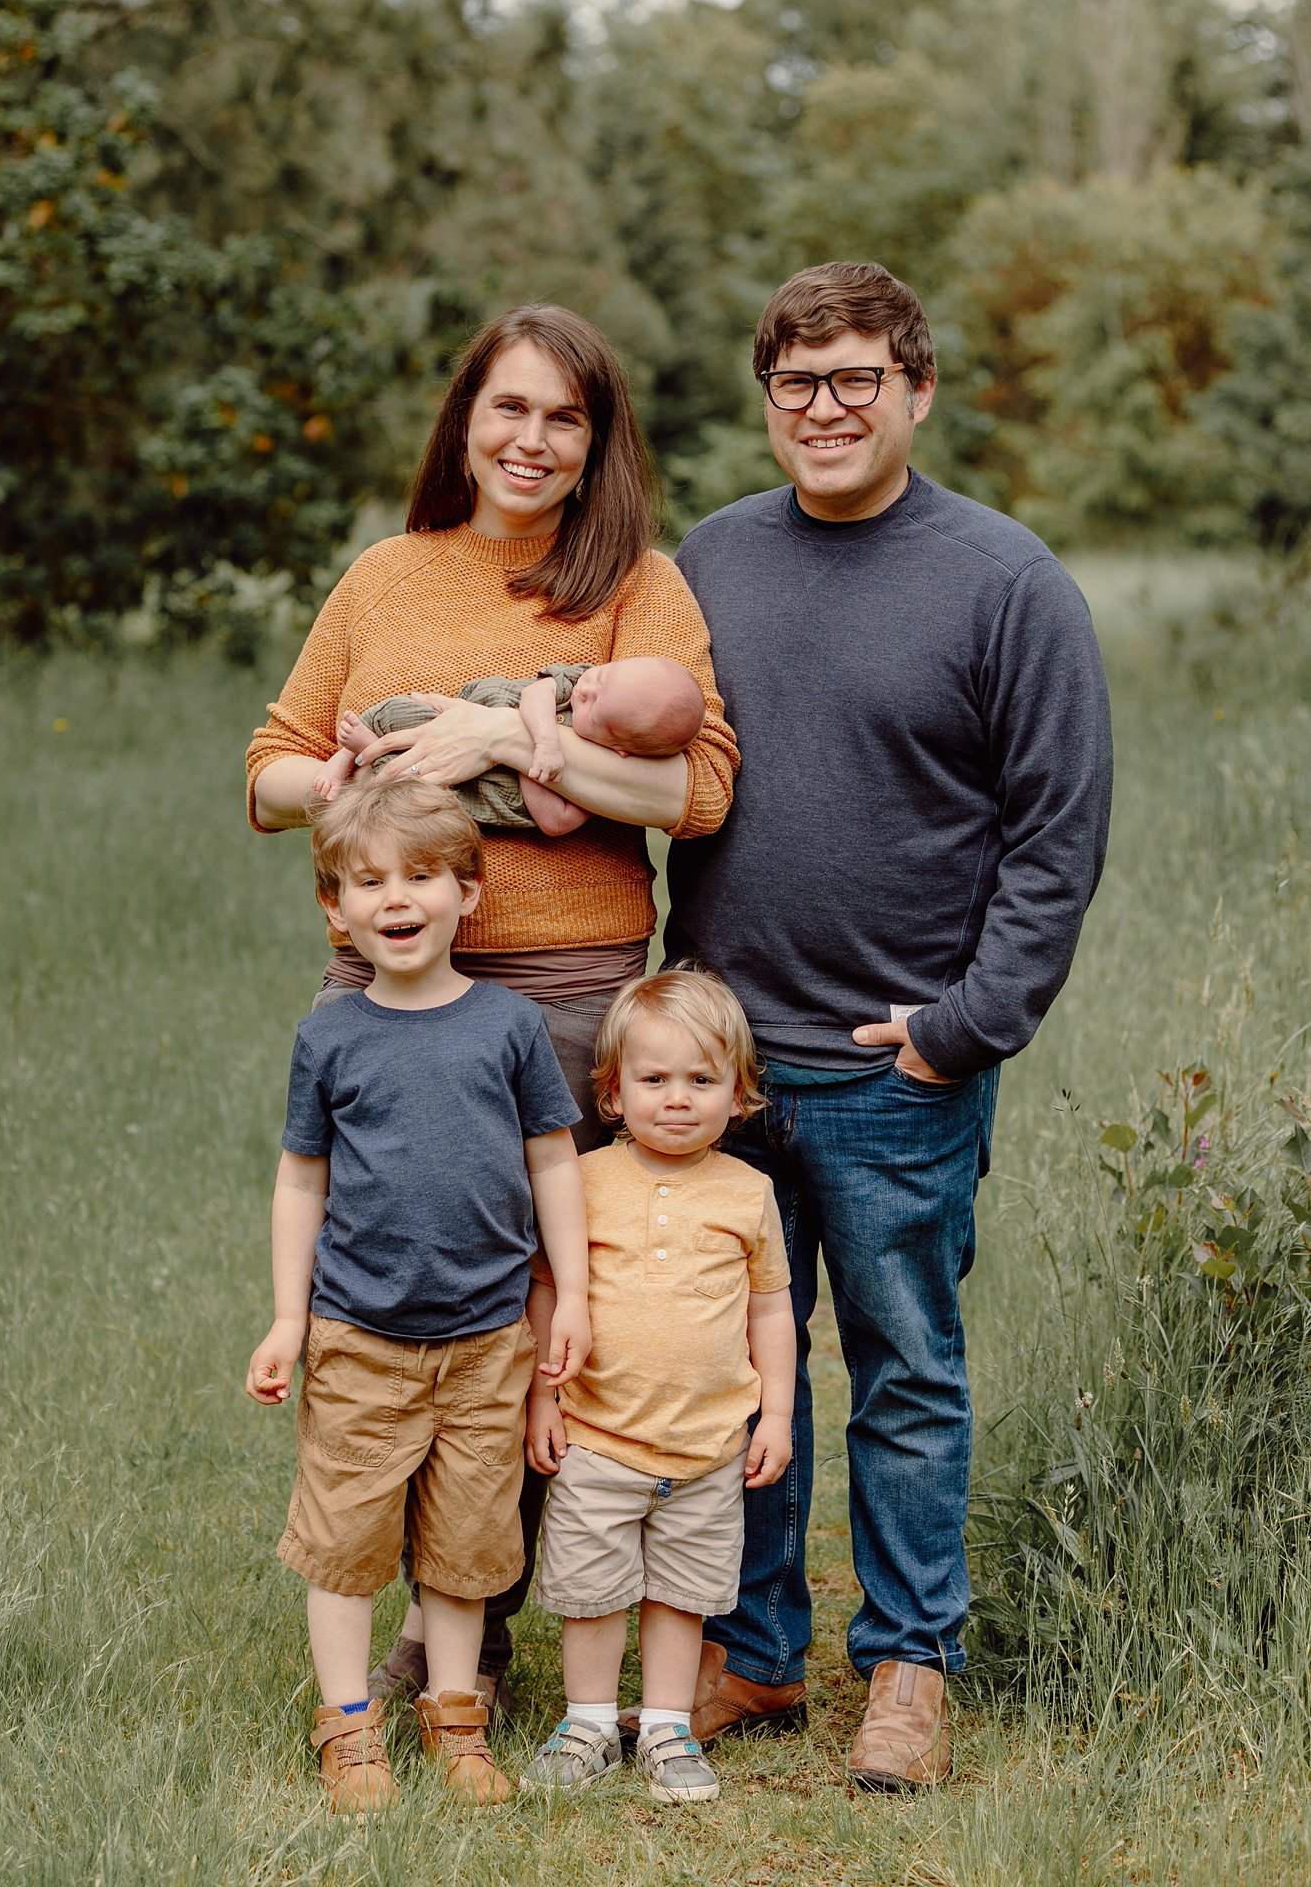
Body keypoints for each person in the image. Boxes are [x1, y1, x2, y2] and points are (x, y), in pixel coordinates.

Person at [246, 303, 739, 1708]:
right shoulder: (387, 576)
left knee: (534, 1313)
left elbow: (698, 788)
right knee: (393, 1295)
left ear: (598, 445)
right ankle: (422, 1612)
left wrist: (516, 742)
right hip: (390, 992)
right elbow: (270, 765)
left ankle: (500, 1603)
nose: (531, 440)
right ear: (466, 418)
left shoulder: (635, 586)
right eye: (507, 408)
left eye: (563, 418)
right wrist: (332, 788)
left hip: (569, 995)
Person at [664, 261, 1113, 1788]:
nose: (827, 408)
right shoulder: (708, 562)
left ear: (917, 389)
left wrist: (964, 1027)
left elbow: (1056, 835)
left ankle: (910, 1666)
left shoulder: (1005, 583)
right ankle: (754, 1652)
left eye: (859, 378)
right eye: (797, 381)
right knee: (734, 1363)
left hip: (890, 1067)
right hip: (715, 1066)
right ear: (768, 399)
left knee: (903, 1368)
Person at [244, 775, 590, 1810]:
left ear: (468, 893)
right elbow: (302, 1177)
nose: (397, 898)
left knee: (468, 1543)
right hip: (361, 1337)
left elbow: (555, 1163)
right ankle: (349, 1728)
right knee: (347, 1540)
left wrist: (568, 1293)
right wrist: (287, 1317)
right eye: (369, 880)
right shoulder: (334, 1036)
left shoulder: (511, 1025)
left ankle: (456, 1719)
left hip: (489, 1340)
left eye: (423, 875)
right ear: (334, 907)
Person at [519, 969, 796, 1805]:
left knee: (681, 1593)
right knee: (593, 1589)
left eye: (702, 1081)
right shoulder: (585, 1181)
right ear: (611, 1091)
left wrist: (774, 1414)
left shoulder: (749, 1194)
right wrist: (541, 1398)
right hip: (599, 1436)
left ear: (739, 1094)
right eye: (653, 1079)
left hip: (706, 1446)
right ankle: (590, 1722)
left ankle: (669, 1726)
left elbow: (772, 1311)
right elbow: (545, 1289)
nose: (677, 1100)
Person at [310, 655, 706, 838]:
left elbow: (556, 822)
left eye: (594, 705)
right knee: (407, 714)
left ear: (620, 748)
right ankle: (348, 753)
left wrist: (515, 750)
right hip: (470, 714)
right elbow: (538, 691)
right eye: (602, 675)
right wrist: (544, 741)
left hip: (485, 792)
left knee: (422, 801)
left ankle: (367, 754)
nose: (586, 688)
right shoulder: (581, 683)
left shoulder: (609, 778)